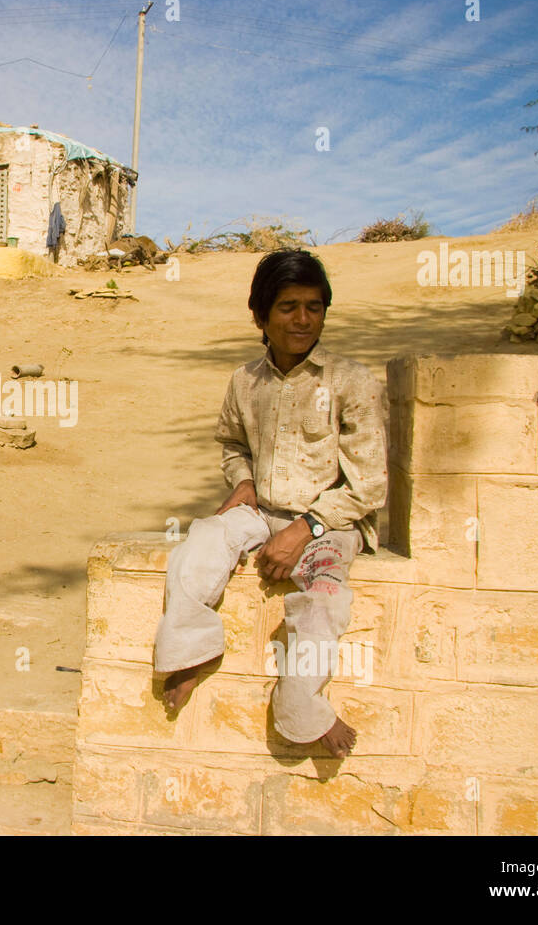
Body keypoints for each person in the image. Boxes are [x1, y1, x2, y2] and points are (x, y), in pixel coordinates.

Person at [154, 249, 387, 759]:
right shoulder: (244, 381)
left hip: (331, 522)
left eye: (314, 306)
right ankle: (192, 652)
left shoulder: (350, 381)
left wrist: (304, 530)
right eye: (287, 307)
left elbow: (368, 487)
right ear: (260, 315)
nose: (303, 320)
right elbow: (233, 446)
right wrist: (242, 482)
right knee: (200, 544)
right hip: (263, 511)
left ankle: (304, 710)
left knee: (323, 600)